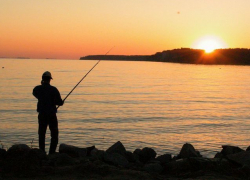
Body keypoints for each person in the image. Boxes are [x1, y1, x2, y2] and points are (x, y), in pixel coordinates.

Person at [33, 71, 64, 154]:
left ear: (42, 79)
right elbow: (60, 102)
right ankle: (51, 153)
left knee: (42, 134)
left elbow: (35, 94)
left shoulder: (37, 89)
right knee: (54, 135)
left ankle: (42, 152)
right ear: (50, 79)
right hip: (51, 115)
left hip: (42, 114)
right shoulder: (54, 90)